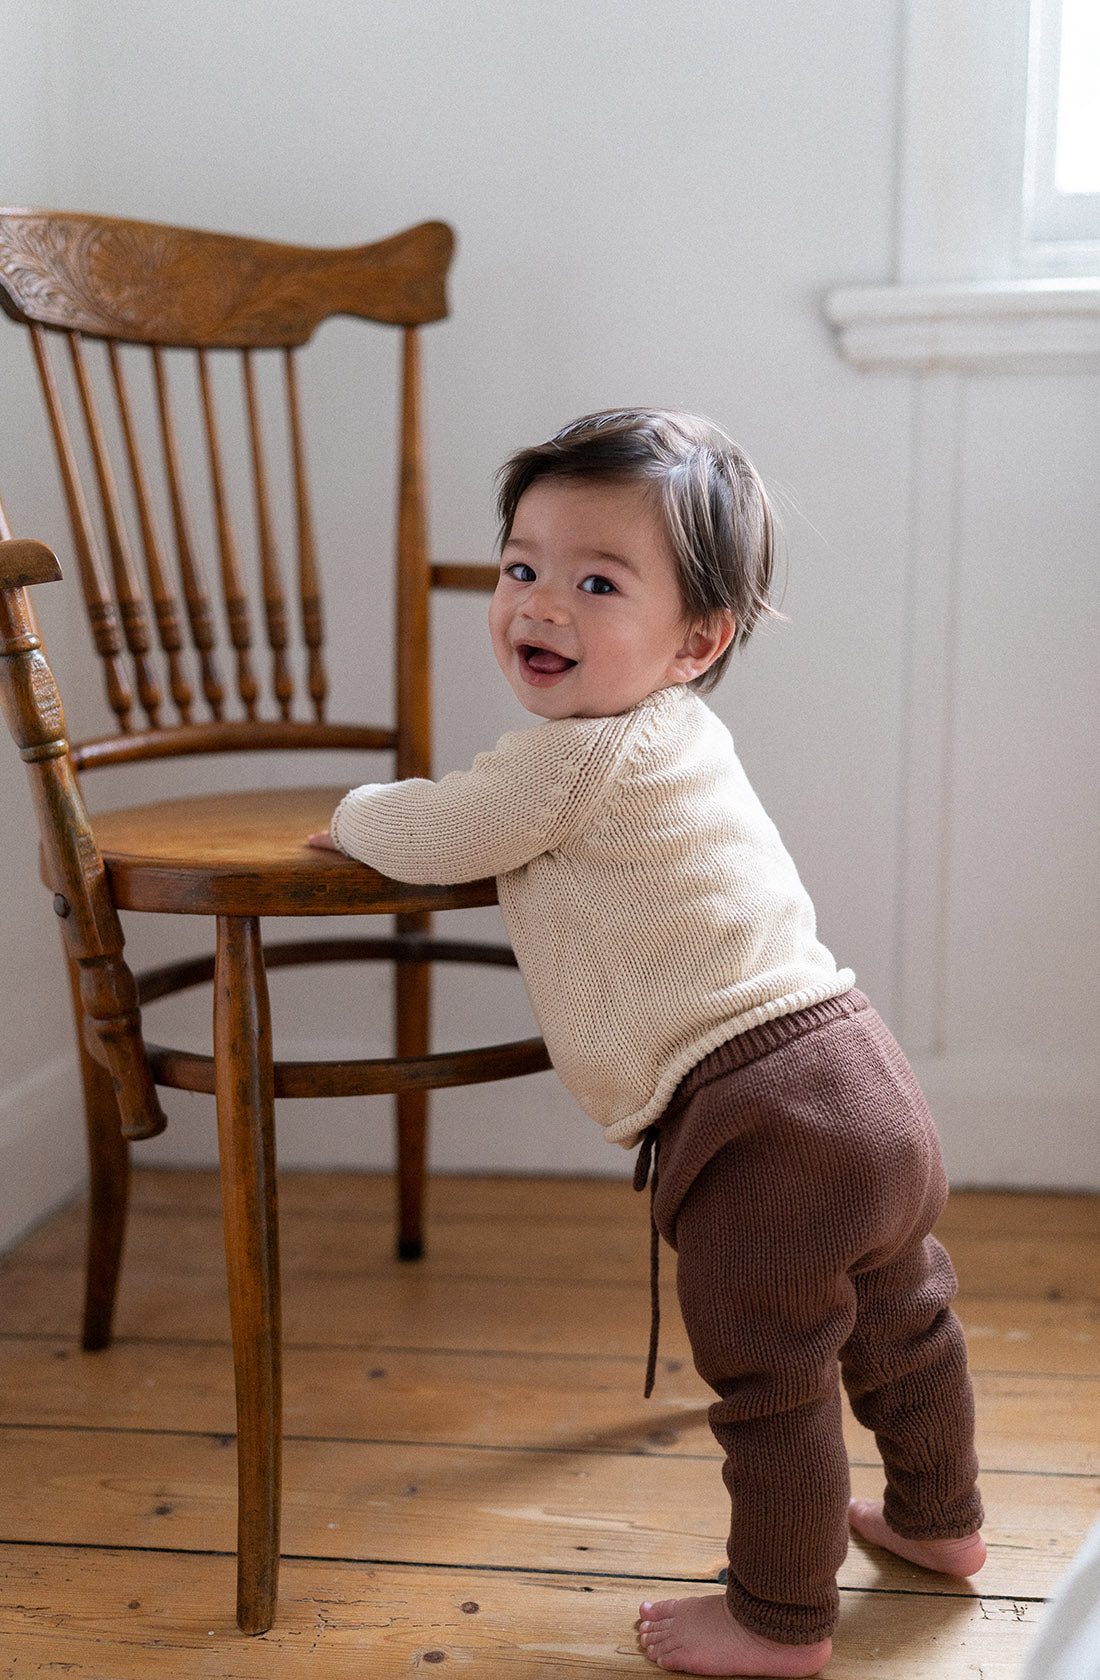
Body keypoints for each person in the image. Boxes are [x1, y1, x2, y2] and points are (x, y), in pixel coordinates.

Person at [309, 409, 985, 1677]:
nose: (540, 605)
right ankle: (939, 1521)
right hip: (860, 1075)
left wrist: (351, 812)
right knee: (903, 1317)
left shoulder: (573, 761)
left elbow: (436, 832)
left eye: (595, 582)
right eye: (521, 568)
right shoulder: (680, 737)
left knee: (771, 1379)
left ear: (695, 640)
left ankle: (779, 1621)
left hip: (765, 1118)